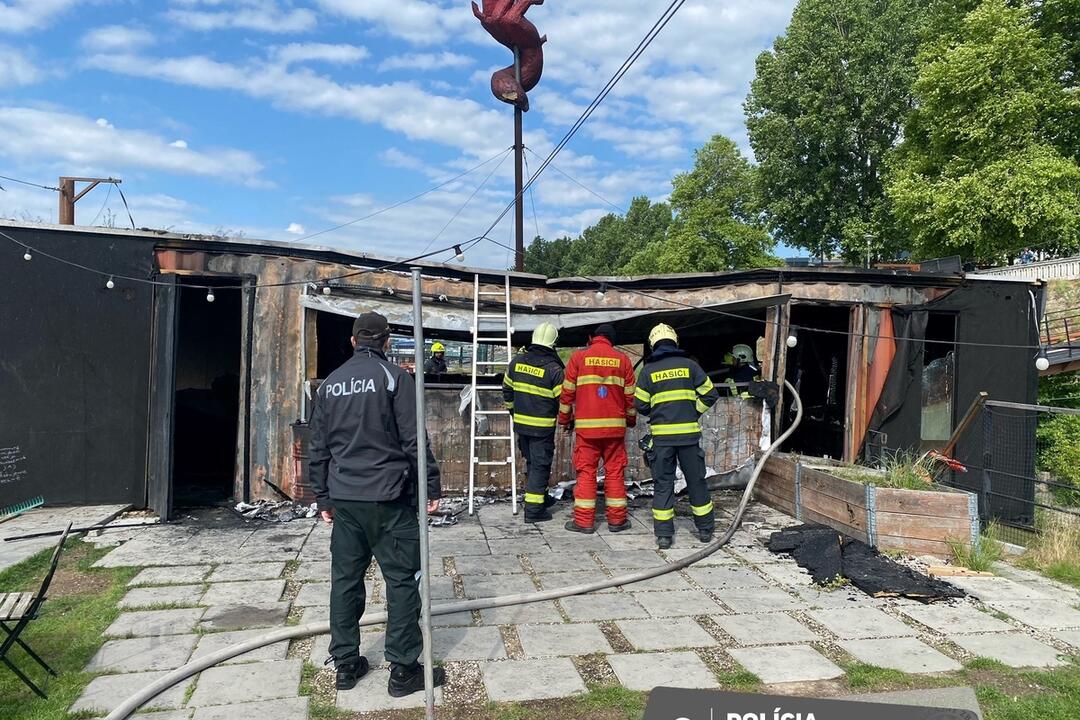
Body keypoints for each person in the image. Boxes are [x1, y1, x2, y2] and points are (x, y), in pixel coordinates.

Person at [308, 312, 445, 696]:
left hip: (346, 499)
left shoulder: (329, 385)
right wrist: (429, 488)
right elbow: (415, 440)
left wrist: (322, 496)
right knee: (402, 580)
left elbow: (317, 448)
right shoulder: (396, 380)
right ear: (386, 341)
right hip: (389, 499)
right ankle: (403, 671)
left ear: (352, 341)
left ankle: (346, 665)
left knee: (345, 581)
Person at [634, 323, 720, 549]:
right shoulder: (690, 366)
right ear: (675, 341)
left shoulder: (648, 371)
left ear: (653, 344)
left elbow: (640, 405)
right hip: (689, 439)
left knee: (663, 484)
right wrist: (693, 411)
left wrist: (659, 410)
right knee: (696, 482)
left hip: (662, 440)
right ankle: (704, 530)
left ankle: (664, 536)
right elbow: (710, 394)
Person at [558, 324, 636, 533]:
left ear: (591, 337)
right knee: (615, 473)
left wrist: (564, 419)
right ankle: (617, 521)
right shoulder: (624, 360)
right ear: (612, 340)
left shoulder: (578, 358)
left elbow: (567, 394)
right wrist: (630, 421)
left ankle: (583, 522)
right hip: (615, 431)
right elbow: (630, 399)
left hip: (587, 431)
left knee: (586, 473)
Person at [503, 323, 564, 522]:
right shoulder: (554, 370)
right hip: (542, 428)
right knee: (540, 465)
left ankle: (541, 498)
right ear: (553, 344)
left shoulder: (516, 363)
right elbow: (562, 402)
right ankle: (534, 510)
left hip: (521, 425)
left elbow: (507, 391)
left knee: (532, 462)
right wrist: (566, 421)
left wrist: (513, 411)